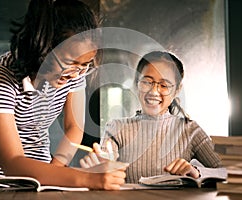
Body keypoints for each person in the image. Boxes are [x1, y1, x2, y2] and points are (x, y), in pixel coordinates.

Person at [0, 0, 127, 196]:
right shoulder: (1, 76)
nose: (76, 74)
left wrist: (56, 168)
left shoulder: (75, 73)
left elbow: (74, 128)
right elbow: (12, 163)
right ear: (43, 48)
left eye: (85, 64)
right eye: (69, 63)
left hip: (40, 169)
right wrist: (88, 178)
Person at [80, 51, 222, 183]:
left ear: (177, 90)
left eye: (164, 85)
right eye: (147, 82)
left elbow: (229, 172)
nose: (154, 91)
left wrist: (196, 172)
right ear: (137, 84)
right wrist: (101, 167)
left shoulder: (190, 130)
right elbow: (106, 161)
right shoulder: (117, 128)